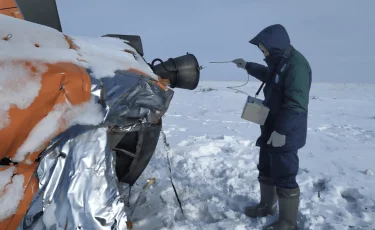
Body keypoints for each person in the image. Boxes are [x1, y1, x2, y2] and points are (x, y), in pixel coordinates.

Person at [233, 24, 312, 230]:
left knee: (285, 173)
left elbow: (296, 104)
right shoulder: (280, 62)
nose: (263, 53)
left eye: (264, 49)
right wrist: (247, 65)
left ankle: (288, 221)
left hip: (285, 131)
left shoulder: (297, 66)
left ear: (275, 45)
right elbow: (269, 75)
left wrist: (282, 131)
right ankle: (266, 206)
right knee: (266, 167)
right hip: (271, 126)